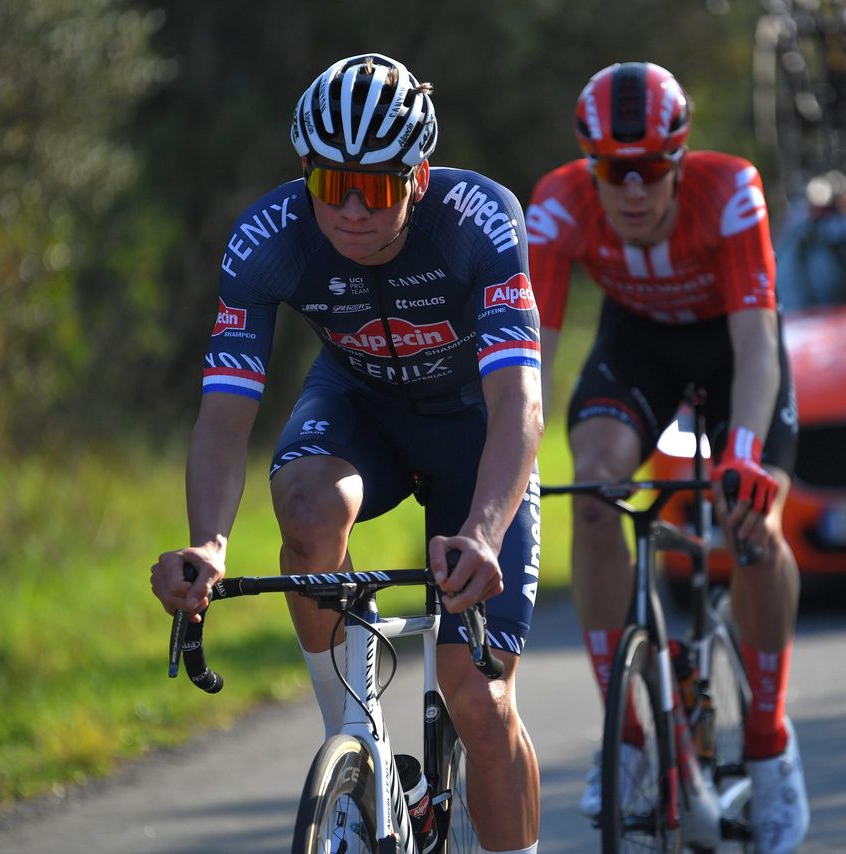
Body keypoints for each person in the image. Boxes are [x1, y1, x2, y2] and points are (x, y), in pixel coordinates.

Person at [150, 53, 542, 854]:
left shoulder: (480, 218)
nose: (354, 209)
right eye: (332, 185)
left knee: (480, 701)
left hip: (475, 429)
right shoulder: (269, 236)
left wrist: (487, 533)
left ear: (419, 177)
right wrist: (208, 543)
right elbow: (226, 414)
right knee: (306, 506)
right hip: (362, 407)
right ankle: (357, 753)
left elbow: (519, 403)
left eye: (379, 186)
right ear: (305, 175)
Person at [527, 61, 809, 852]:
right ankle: (626, 738)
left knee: (752, 522)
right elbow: (532, 359)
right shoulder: (555, 205)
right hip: (638, 348)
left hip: (731, 351)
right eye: (615, 171)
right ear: (591, 166)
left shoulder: (732, 191)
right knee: (592, 489)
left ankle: (769, 739)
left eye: (653, 169)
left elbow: (757, 343)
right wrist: (502, 466)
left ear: (680, 161)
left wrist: (745, 455)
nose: (633, 190)